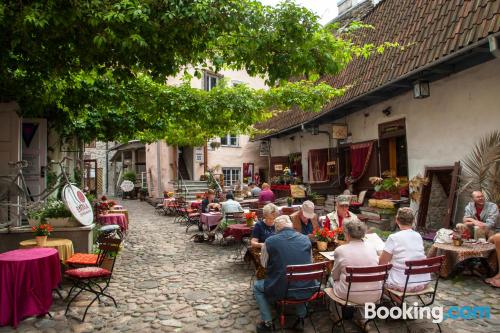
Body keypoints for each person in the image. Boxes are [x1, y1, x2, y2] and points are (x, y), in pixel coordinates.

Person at [254, 215, 316, 332]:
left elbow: (264, 264)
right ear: (291, 226)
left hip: (282, 288)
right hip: (306, 286)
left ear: (276, 229)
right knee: (300, 279)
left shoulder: (269, 241)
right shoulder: (305, 239)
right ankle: (301, 316)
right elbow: (310, 262)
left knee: (257, 287)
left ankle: (267, 322)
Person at [329, 219, 381, 304]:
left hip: (349, 294)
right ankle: (363, 315)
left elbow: (335, 276)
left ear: (347, 234)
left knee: (330, 279)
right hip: (375, 293)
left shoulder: (340, 250)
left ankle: (336, 315)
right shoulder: (372, 247)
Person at [379, 207, 430, 292]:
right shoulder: (418, 236)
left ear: (397, 220)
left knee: (378, 273)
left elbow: (382, 263)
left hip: (401, 283)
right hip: (421, 282)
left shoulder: (393, 237)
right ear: (413, 221)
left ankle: (396, 301)